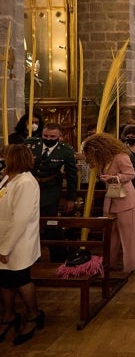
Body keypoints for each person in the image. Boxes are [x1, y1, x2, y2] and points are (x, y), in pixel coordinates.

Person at [0, 144, 45, 346]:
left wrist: (5, 248)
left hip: (18, 241)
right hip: (3, 237)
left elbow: (21, 219)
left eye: (5, 157)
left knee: (20, 277)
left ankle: (33, 315)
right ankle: (9, 315)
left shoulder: (26, 182)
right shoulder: (7, 178)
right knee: (4, 278)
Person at [82, 133, 135, 273]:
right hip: (111, 199)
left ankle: (130, 266)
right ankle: (111, 262)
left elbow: (131, 174)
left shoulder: (121, 156)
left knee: (128, 235)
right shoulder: (103, 159)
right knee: (110, 235)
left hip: (125, 200)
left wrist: (114, 178)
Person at [25, 122, 78, 262]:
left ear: (60, 136)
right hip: (29, 188)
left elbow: (72, 176)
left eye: (52, 136)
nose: (48, 139)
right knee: (29, 222)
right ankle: (32, 257)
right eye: (45, 136)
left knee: (50, 222)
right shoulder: (30, 145)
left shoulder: (65, 151)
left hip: (51, 189)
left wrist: (71, 198)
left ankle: (58, 257)